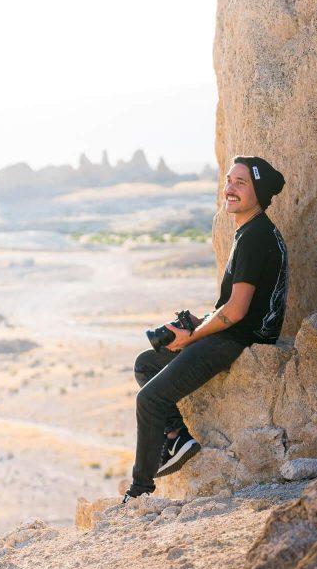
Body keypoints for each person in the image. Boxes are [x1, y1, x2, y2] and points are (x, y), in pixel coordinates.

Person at [123, 156, 288, 503]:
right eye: (229, 180)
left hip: (240, 338)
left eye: (241, 183)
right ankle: (176, 438)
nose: (229, 189)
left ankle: (138, 492)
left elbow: (237, 310)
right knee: (146, 363)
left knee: (149, 398)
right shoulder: (250, 232)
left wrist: (192, 336)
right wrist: (197, 323)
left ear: (258, 191)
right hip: (232, 332)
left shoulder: (256, 236)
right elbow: (233, 304)